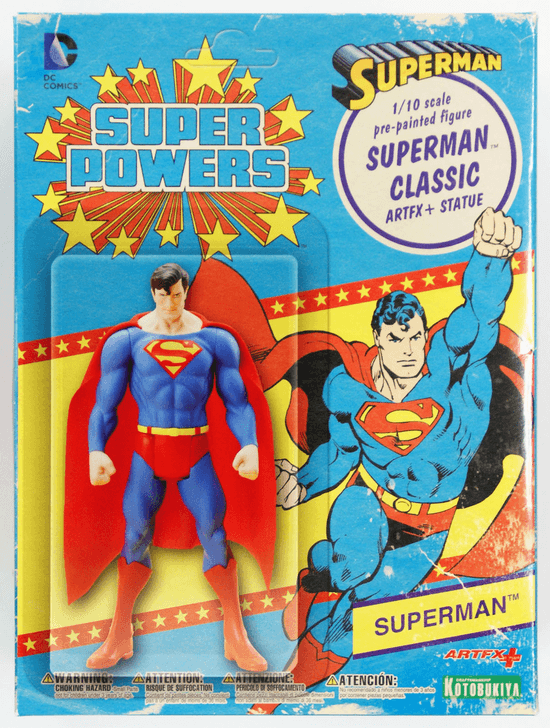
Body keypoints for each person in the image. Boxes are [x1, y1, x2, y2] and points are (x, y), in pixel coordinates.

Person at [253, 206, 523, 712]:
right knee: (352, 567)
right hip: (368, 502)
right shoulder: (352, 389)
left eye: (414, 336)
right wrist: (303, 482)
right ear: (379, 338)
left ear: (425, 336)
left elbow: (479, 317)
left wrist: (489, 259)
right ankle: (288, 683)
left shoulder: (445, 366)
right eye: (395, 339)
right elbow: (341, 451)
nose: (407, 349)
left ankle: (317, 586)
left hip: (426, 526)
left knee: (359, 607)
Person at [66, 263, 274, 672]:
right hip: (148, 451)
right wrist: (95, 450)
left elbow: (238, 402)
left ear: (186, 291)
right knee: (135, 536)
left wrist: (249, 443)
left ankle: (236, 635)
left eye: (177, 295)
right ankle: (119, 635)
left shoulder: (216, 340)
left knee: (214, 534)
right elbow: (105, 405)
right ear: (153, 294)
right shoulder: (127, 341)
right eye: (163, 297)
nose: (170, 304)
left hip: (196, 451)